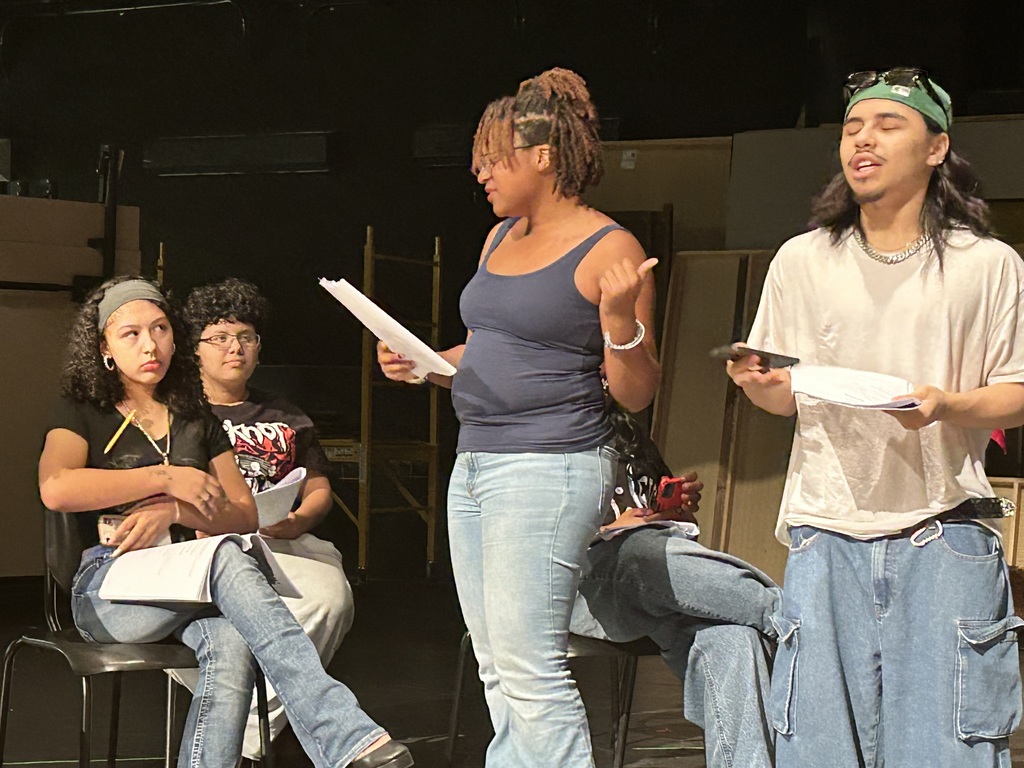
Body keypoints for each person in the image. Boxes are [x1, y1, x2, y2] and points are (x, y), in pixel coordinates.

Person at [727, 68, 1024, 767]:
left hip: (944, 534)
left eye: (888, 125)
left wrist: (948, 404)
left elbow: (1016, 388)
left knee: (948, 748)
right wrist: (755, 382)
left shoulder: (987, 265)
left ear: (935, 147)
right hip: (825, 532)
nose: (864, 140)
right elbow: (784, 396)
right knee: (816, 748)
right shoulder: (802, 261)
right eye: (853, 128)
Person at [379, 69, 659, 767]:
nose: (479, 171)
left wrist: (620, 320)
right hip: (475, 462)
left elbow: (636, 390)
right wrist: (427, 361)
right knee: (497, 664)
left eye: (493, 156)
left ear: (542, 155)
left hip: (549, 466)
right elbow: (494, 347)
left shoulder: (609, 249)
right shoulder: (499, 237)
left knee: (531, 666)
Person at [38, 276, 411, 768]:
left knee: (232, 640)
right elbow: (57, 487)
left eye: (161, 329)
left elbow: (244, 512)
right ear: (104, 347)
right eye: (130, 334)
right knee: (227, 555)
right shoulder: (85, 410)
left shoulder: (197, 418)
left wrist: (177, 510)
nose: (150, 344)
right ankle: (337, 731)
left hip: (188, 583)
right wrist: (166, 478)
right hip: (109, 586)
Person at [167, 276, 353, 762]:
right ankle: (250, 740)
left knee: (331, 600)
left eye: (246, 337)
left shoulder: (287, 414)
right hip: (209, 546)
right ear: (196, 349)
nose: (236, 348)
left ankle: (239, 736)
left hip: (281, 536)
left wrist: (299, 520)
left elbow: (316, 484)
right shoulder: (179, 414)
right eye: (221, 338)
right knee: (224, 628)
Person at [569, 408, 779, 768]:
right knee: (640, 551)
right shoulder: (543, 430)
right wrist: (607, 529)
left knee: (735, 638)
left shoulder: (628, 433)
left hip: (651, 587)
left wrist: (674, 515)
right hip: (584, 582)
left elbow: (660, 526)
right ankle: (795, 622)